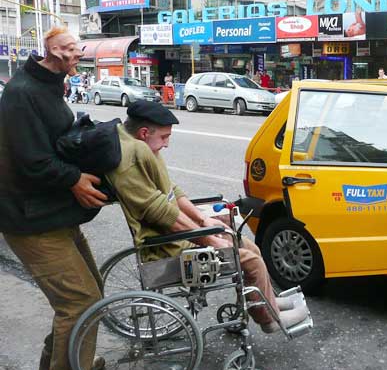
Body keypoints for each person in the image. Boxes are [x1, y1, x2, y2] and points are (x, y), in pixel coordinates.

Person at [105, 100, 309, 333]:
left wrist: (203, 220)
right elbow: (159, 211)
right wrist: (210, 239)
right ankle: (270, 320)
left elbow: (172, 191)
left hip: (171, 234)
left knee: (247, 245)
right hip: (164, 247)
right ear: (143, 132)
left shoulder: (140, 146)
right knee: (250, 261)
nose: (167, 144)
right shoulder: (132, 156)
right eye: (164, 137)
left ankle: (267, 300)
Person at [0, 26, 107, 370]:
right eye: (75, 50)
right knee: (79, 301)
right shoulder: (21, 93)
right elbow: (32, 160)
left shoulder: (49, 84)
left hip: (55, 213)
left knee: (92, 293)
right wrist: (75, 178)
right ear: (56, 51)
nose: (80, 55)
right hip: (31, 219)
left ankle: (71, 362)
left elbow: (52, 140)